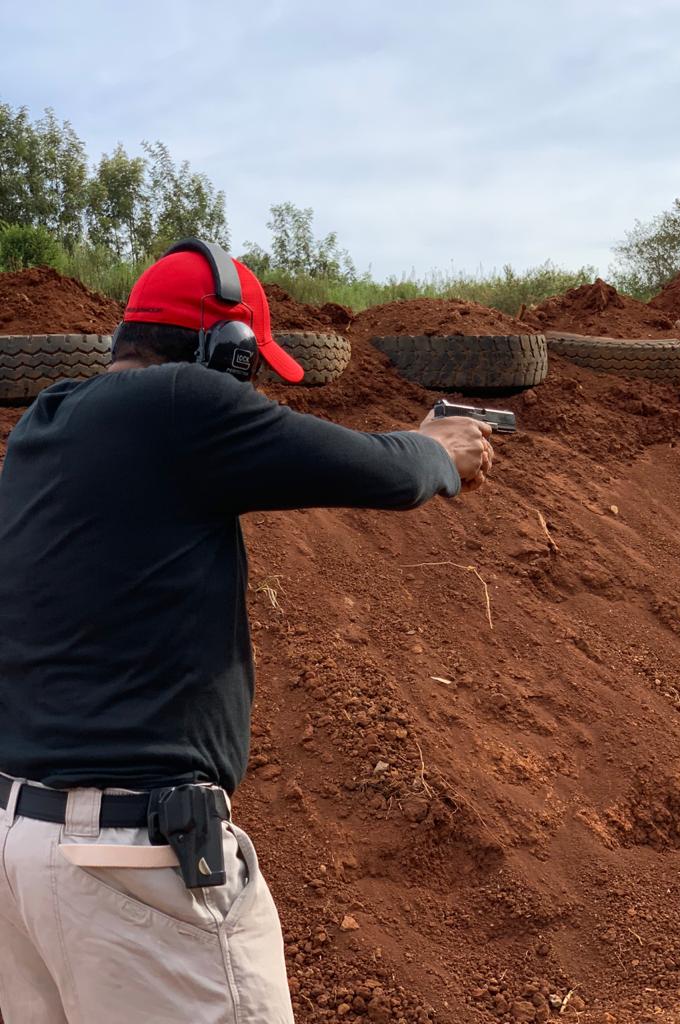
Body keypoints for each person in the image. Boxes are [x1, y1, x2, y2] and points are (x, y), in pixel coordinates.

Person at [0, 239, 492, 1024]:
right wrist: (437, 449)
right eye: (251, 364)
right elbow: (386, 472)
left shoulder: (46, 420)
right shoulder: (181, 405)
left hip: (21, 853)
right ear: (223, 355)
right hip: (134, 867)